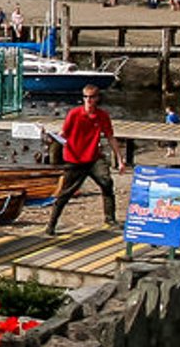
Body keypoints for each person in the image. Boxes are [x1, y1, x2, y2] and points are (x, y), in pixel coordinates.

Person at [44, 85, 123, 235]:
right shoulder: (74, 114)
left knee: (106, 182)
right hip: (74, 159)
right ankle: (51, 224)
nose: (88, 100)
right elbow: (63, 134)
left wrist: (120, 160)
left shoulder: (102, 116)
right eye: (85, 97)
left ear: (97, 99)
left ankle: (110, 218)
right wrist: (51, 139)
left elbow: (110, 137)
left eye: (91, 97)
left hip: (93, 158)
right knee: (65, 193)